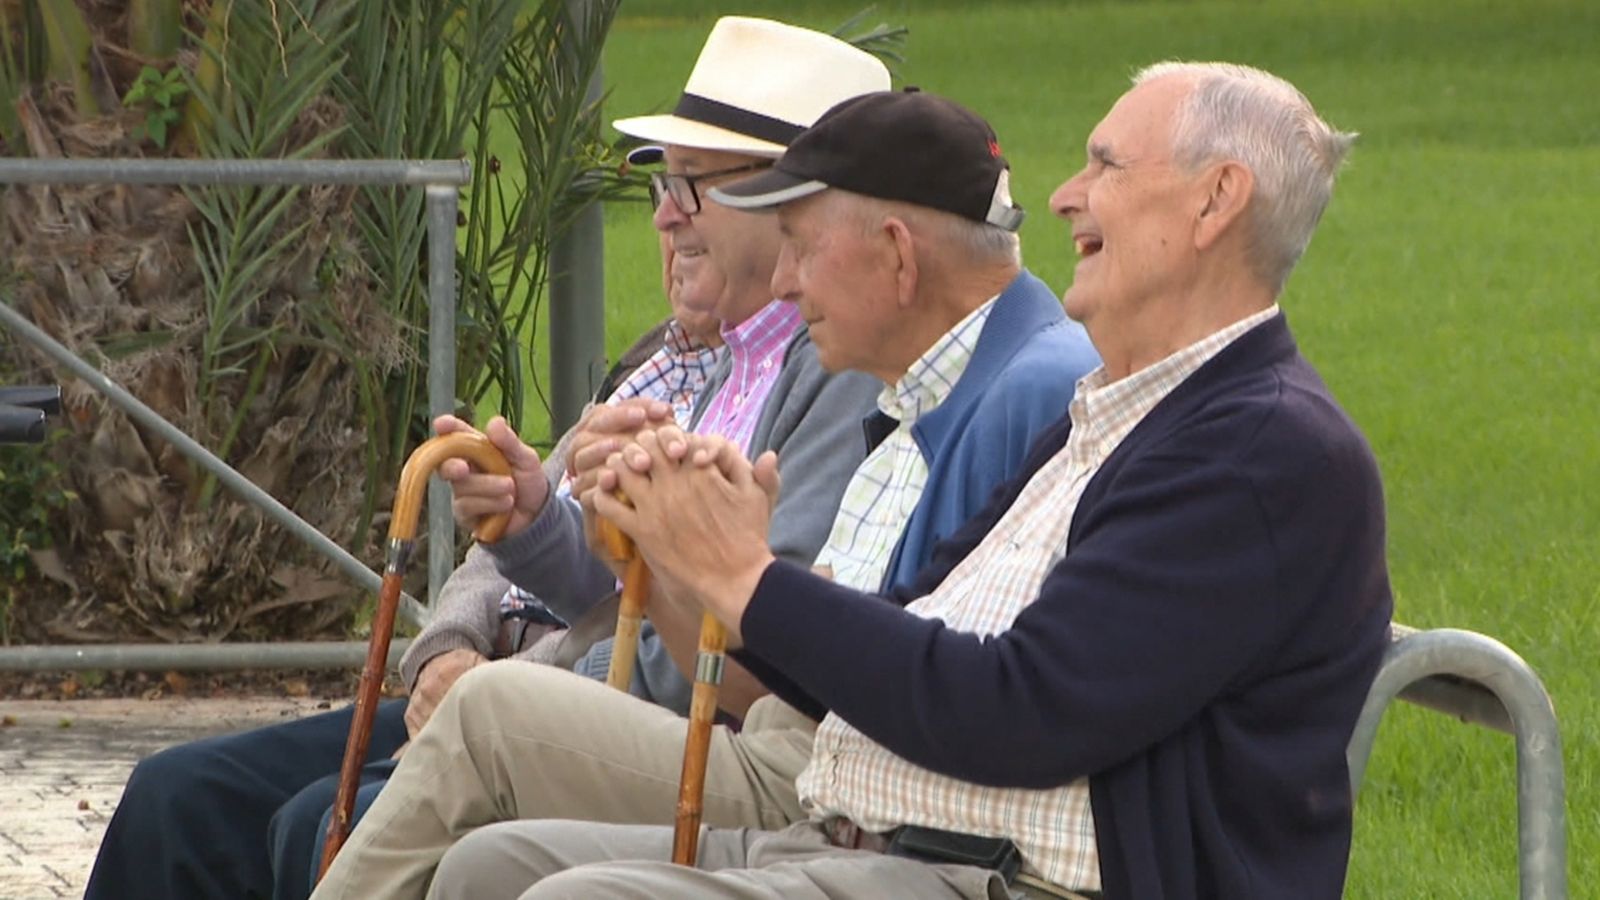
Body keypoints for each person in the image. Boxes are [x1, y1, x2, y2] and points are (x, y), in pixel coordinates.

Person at [459, 61, 1393, 900]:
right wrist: (692, 551)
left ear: (1214, 201)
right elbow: (908, 627)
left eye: (1107, 165)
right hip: (892, 841)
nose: (1066, 195)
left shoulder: (1263, 450)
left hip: (1000, 874)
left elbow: (1020, 709)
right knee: (488, 870)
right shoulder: (1108, 417)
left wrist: (746, 575)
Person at [309, 89, 1100, 900]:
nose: (786, 284)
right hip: (808, 756)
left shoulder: (1018, 392)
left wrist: (709, 560)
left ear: (898, 255)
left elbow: (921, 694)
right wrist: (655, 539)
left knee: (480, 730)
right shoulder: (917, 388)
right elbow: (777, 670)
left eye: (800, 245)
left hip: (860, 796)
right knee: (468, 840)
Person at [81, 185, 729, 900]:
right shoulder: (656, 360)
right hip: (485, 687)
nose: (667, 216)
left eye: (696, 185)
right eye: (664, 186)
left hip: (555, 713)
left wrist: (484, 691)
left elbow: (645, 621)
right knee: (175, 795)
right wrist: (444, 649)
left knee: (320, 823)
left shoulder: (778, 390)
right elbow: (495, 560)